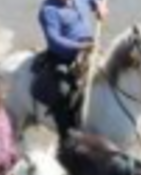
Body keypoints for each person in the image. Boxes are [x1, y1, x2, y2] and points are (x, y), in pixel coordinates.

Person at [37, 0, 109, 138]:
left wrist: (101, 6)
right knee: (63, 90)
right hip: (64, 57)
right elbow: (55, 40)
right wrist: (80, 46)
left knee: (110, 73)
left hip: (90, 50)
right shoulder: (48, 10)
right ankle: (67, 135)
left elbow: (97, 2)